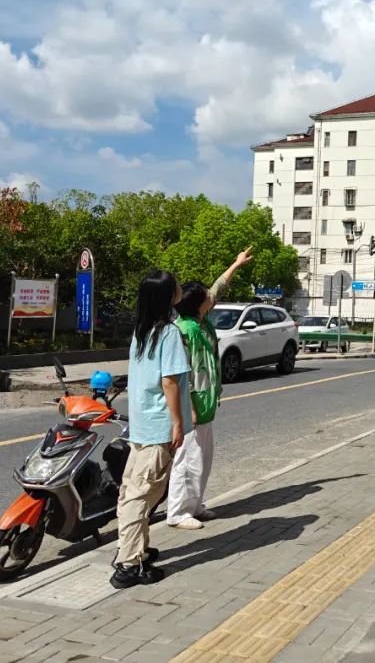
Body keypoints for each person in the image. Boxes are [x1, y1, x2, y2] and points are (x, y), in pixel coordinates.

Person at [111, 270, 191, 589]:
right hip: (158, 426)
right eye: (175, 285)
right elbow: (169, 381)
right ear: (167, 295)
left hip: (141, 424)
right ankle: (128, 564)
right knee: (143, 496)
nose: (180, 287)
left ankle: (134, 549)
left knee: (132, 490)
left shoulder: (142, 330)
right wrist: (177, 423)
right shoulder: (169, 333)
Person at [165, 247, 253, 530]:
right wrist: (188, 407)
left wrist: (236, 264)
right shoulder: (185, 330)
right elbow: (181, 373)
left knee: (202, 458)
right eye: (205, 295)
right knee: (186, 460)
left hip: (206, 402)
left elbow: (218, 286)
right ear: (197, 304)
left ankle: (195, 505)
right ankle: (177, 512)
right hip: (192, 405)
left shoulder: (201, 321)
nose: (209, 296)